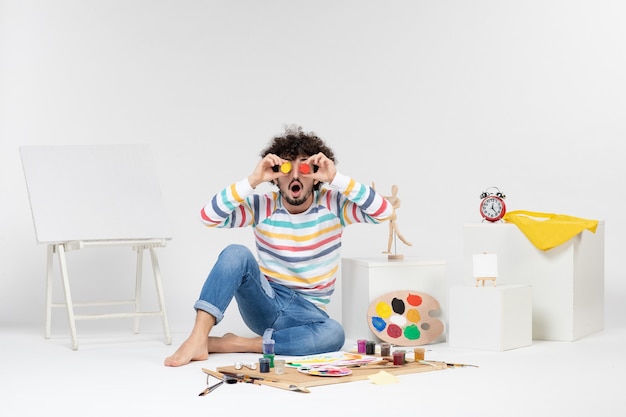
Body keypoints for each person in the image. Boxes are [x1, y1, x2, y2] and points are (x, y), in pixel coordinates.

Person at [164, 125, 394, 367]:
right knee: (235, 253)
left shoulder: (334, 205)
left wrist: (337, 179)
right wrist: (252, 180)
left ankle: (237, 344)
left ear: (316, 175)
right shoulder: (263, 206)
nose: (295, 176)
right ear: (275, 176)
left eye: (305, 168)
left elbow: (384, 212)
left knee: (334, 334)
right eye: (285, 168)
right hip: (267, 300)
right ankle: (198, 338)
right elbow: (208, 217)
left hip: (308, 313)